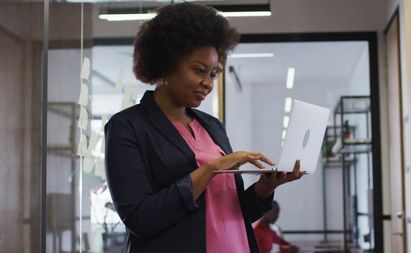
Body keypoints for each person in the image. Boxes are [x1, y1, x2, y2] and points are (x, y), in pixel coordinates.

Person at [104, 3, 305, 253]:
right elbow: (140, 219)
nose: (208, 84)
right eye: (199, 70)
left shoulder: (212, 126)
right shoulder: (128, 126)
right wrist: (212, 168)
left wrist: (264, 189)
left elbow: (232, 212)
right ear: (166, 63)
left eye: (213, 73)